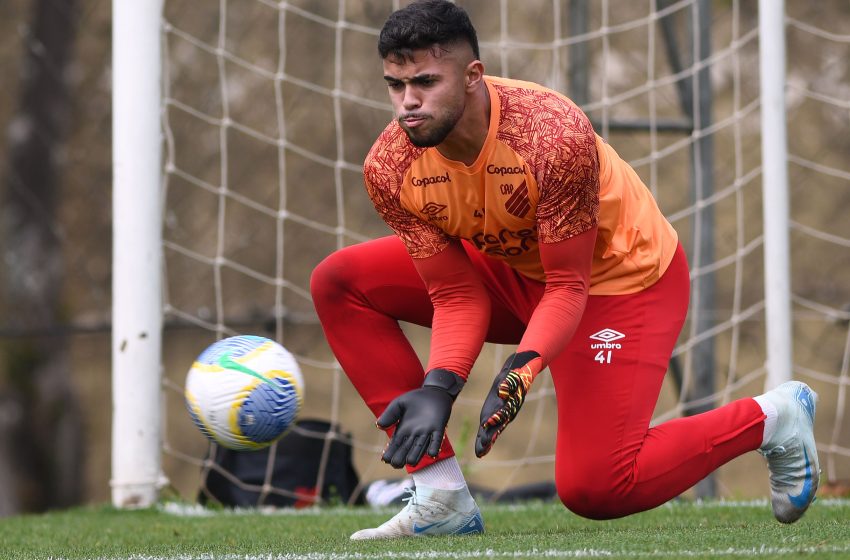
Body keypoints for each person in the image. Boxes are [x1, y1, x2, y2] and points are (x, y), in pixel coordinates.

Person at [310, 0, 819, 540]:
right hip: (513, 270)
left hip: (617, 282)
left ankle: (773, 417)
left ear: (473, 76)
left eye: (426, 83)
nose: (408, 103)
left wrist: (519, 372)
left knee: (596, 487)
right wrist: (440, 386)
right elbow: (457, 294)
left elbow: (568, 285)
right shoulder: (389, 166)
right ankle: (440, 496)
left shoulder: (552, 136)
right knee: (340, 283)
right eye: (396, 85)